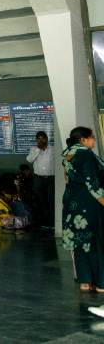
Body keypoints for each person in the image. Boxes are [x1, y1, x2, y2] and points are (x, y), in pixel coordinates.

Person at [61, 126, 104, 297]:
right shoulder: (86, 156)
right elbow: (93, 186)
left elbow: (67, 176)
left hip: (73, 204)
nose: (94, 140)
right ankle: (101, 284)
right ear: (83, 140)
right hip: (89, 207)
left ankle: (85, 282)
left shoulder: (68, 155)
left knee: (80, 244)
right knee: (96, 243)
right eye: (92, 137)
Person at [27, 130, 55, 225]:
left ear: (46, 139)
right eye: (39, 139)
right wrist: (38, 150)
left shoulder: (53, 149)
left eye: (43, 138)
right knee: (42, 200)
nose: (41, 140)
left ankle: (53, 220)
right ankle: (46, 220)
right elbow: (30, 160)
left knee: (51, 200)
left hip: (51, 178)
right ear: (36, 140)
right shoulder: (34, 149)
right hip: (39, 179)